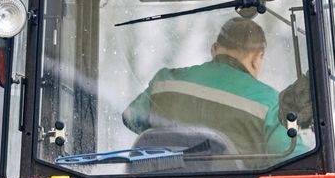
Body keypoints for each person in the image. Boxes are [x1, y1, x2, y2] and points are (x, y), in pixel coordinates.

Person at [121, 16, 296, 159]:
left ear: (214, 49)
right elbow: (295, 159)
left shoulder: (164, 82)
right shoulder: (270, 102)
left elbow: (131, 117)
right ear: (257, 58)